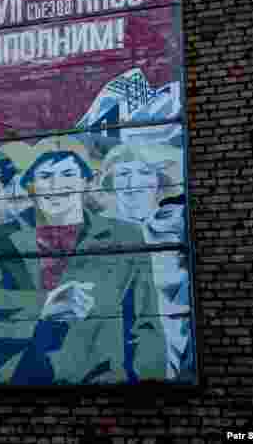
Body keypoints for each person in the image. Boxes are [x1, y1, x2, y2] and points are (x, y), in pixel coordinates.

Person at [0, 138, 165, 385]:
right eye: (45, 175)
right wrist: (43, 304)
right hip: (17, 377)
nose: (57, 185)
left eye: (68, 173)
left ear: (85, 181)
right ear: (30, 186)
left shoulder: (126, 236)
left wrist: (149, 385)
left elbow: (144, 324)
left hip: (101, 380)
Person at [100, 143, 193, 380]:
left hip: (180, 346)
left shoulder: (179, 224)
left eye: (144, 172)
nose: (133, 184)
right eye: (123, 174)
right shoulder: (98, 233)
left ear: (158, 180)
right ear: (111, 182)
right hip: (114, 351)